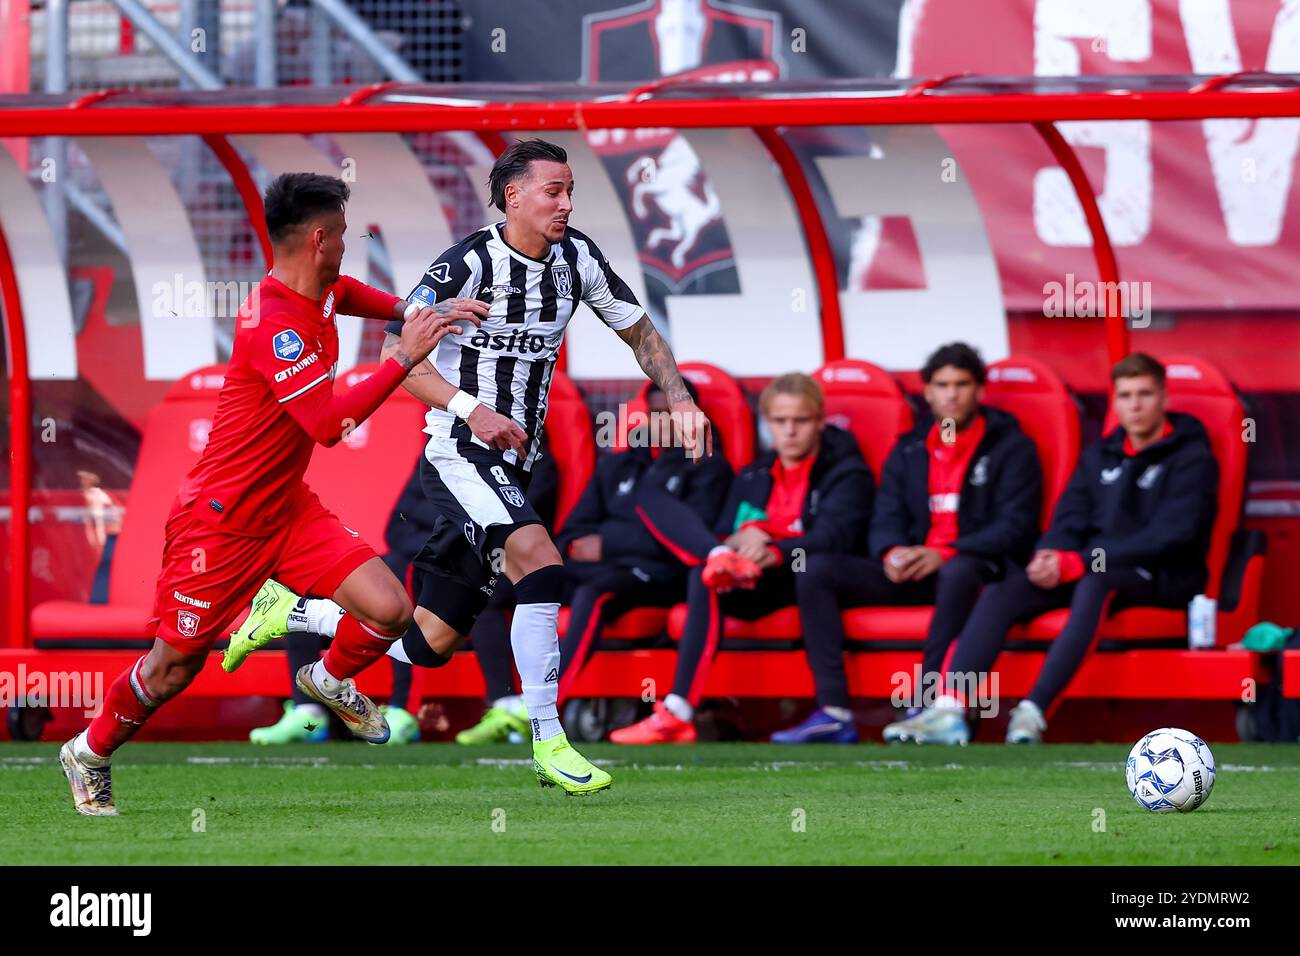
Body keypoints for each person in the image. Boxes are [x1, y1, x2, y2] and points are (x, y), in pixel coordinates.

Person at [227, 139, 711, 794]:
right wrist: (469, 408)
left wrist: (680, 400)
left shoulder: (579, 259)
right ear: (514, 196)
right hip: (458, 450)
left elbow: (640, 332)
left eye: (570, 192)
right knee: (541, 562)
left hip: (514, 465)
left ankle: (297, 614)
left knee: (430, 640)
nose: (566, 204)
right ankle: (549, 738)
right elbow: (403, 352)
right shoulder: (468, 264)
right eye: (554, 191)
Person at [59, 172, 467, 815]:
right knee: (173, 668)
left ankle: (327, 678)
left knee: (389, 610)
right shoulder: (275, 326)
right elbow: (329, 426)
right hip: (220, 522)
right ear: (319, 238)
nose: (347, 247)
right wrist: (402, 358)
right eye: (343, 235)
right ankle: (88, 751)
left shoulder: (321, 287)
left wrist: (418, 313)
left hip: (287, 507)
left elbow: (350, 294)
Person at [884, 352, 1218, 744]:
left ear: (1164, 398)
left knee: (1097, 582)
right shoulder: (1100, 455)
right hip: (1090, 566)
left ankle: (1032, 711)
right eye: (1125, 395)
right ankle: (949, 707)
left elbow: (1169, 537)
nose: (1135, 404)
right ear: (1114, 401)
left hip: (1162, 575)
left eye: (1145, 394)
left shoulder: (1192, 457)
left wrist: (1080, 561)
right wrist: (1051, 555)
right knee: (1006, 588)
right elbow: (1068, 519)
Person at [771, 343, 1041, 743]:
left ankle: (929, 703)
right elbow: (885, 517)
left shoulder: (1011, 446)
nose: (952, 394)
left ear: (979, 390)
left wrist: (945, 551)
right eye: (942, 384)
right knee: (816, 569)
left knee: (958, 571)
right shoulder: (910, 447)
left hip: (974, 570)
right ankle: (834, 712)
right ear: (927, 392)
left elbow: (1016, 527)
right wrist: (890, 552)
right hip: (913, 569)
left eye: (962, 384)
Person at [611, 372, 873, 744]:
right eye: (780, 421)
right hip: (761, 579)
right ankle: (678, 712)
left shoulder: (846, 472)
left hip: (813, 575)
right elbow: (725, 527)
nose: (790, 431)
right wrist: (734, 545)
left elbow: (836, 538)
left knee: (815, 568)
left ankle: (834, 714)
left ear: (818, 421)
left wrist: (772, 545)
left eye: (800, 421)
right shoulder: (754, 473)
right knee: (707, 568)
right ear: (767, 424)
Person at [553, 381, 732, 705]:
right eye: (655, 414)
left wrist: (607, 542)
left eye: (671, 414)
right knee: (518, 582)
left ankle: (544, 707)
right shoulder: (617, 464)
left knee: (594, 594)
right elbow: (571, 535)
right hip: (599, 568)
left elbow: (688, 543)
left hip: (659, 576)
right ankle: (503, 700)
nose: (662, 423)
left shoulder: (708, 466)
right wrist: (595, 546)